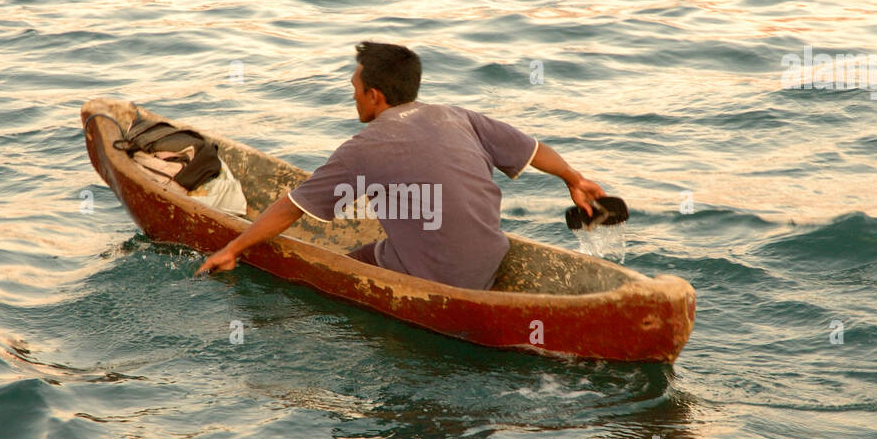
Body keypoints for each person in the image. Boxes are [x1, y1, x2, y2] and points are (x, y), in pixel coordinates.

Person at [195, 41, 607, 290]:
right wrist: (574, 178)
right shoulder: (457, 115)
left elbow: (290, 208)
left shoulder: (364, 146)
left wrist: (233, 249)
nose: (352, 96)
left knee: (346, 267)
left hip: (438, 277)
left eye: (354, 89)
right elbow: (534, 151)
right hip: (489, 261)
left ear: (374, 96)